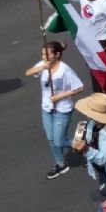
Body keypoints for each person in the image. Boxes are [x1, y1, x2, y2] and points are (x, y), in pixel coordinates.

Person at [25, 41, 85, 179]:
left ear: (57, 54)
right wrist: (42, 68)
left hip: (62, 110)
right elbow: (28, 72)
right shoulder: (43, 65)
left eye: (47, 54)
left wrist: (60, 96)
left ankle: (85, 145)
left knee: (59, 141)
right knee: (51, 139)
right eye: (42, 54)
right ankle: (61, 164)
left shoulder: (65, 70)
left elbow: (80, 87)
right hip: (47, 109)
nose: (44, 57)